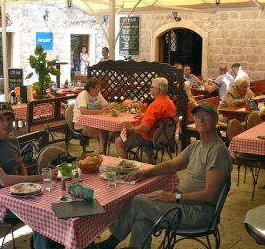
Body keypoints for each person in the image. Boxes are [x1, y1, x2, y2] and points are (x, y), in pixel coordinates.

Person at [97, 103, 232, 249]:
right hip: (182, 203)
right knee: (142, 218)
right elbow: (172, 165)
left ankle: (110, 243)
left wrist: (173, 197)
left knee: (138, 201)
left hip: (198, 212)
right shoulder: (197, 145)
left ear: (216, 120)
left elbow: (209, 195)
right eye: (197, 116)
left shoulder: (218, 151)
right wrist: (146, 172)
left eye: (205, 116)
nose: (200, 120)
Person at [0, 102, 58, 249]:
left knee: (52, 202)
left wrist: (28, 186)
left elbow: (20, 166)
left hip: (16, 191)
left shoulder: (12, 139)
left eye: (9, 119)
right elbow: (4, 180)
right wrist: (42, 177)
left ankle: (51, 243)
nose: (7, 123)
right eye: (2, 119)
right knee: (38, 214)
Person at [115, 78, 176, 161]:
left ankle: (125, 167)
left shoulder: (155, 105)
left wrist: (131, 128)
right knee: (140, 134)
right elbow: (161, 118)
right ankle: (151, 159)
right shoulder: (170, 102)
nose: (150, 89)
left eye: (151, 87)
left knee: (119, 141)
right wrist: (144, 115)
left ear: (157, 90)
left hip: (151, 138)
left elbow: (144, 128)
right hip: (164, 137)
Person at [73, 77, 110, 155]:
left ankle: (102, 151)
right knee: (102, 131)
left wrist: (108, 107)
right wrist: (100, 111)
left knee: (104, 129)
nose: (99, 91)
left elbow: (107, 105)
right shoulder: (83, 95)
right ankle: (102, 152)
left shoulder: (97, 95)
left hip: (93, 122)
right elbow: (83, 111)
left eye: (99, 89)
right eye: (97, 89)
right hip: (80, 125)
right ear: (90, 88)